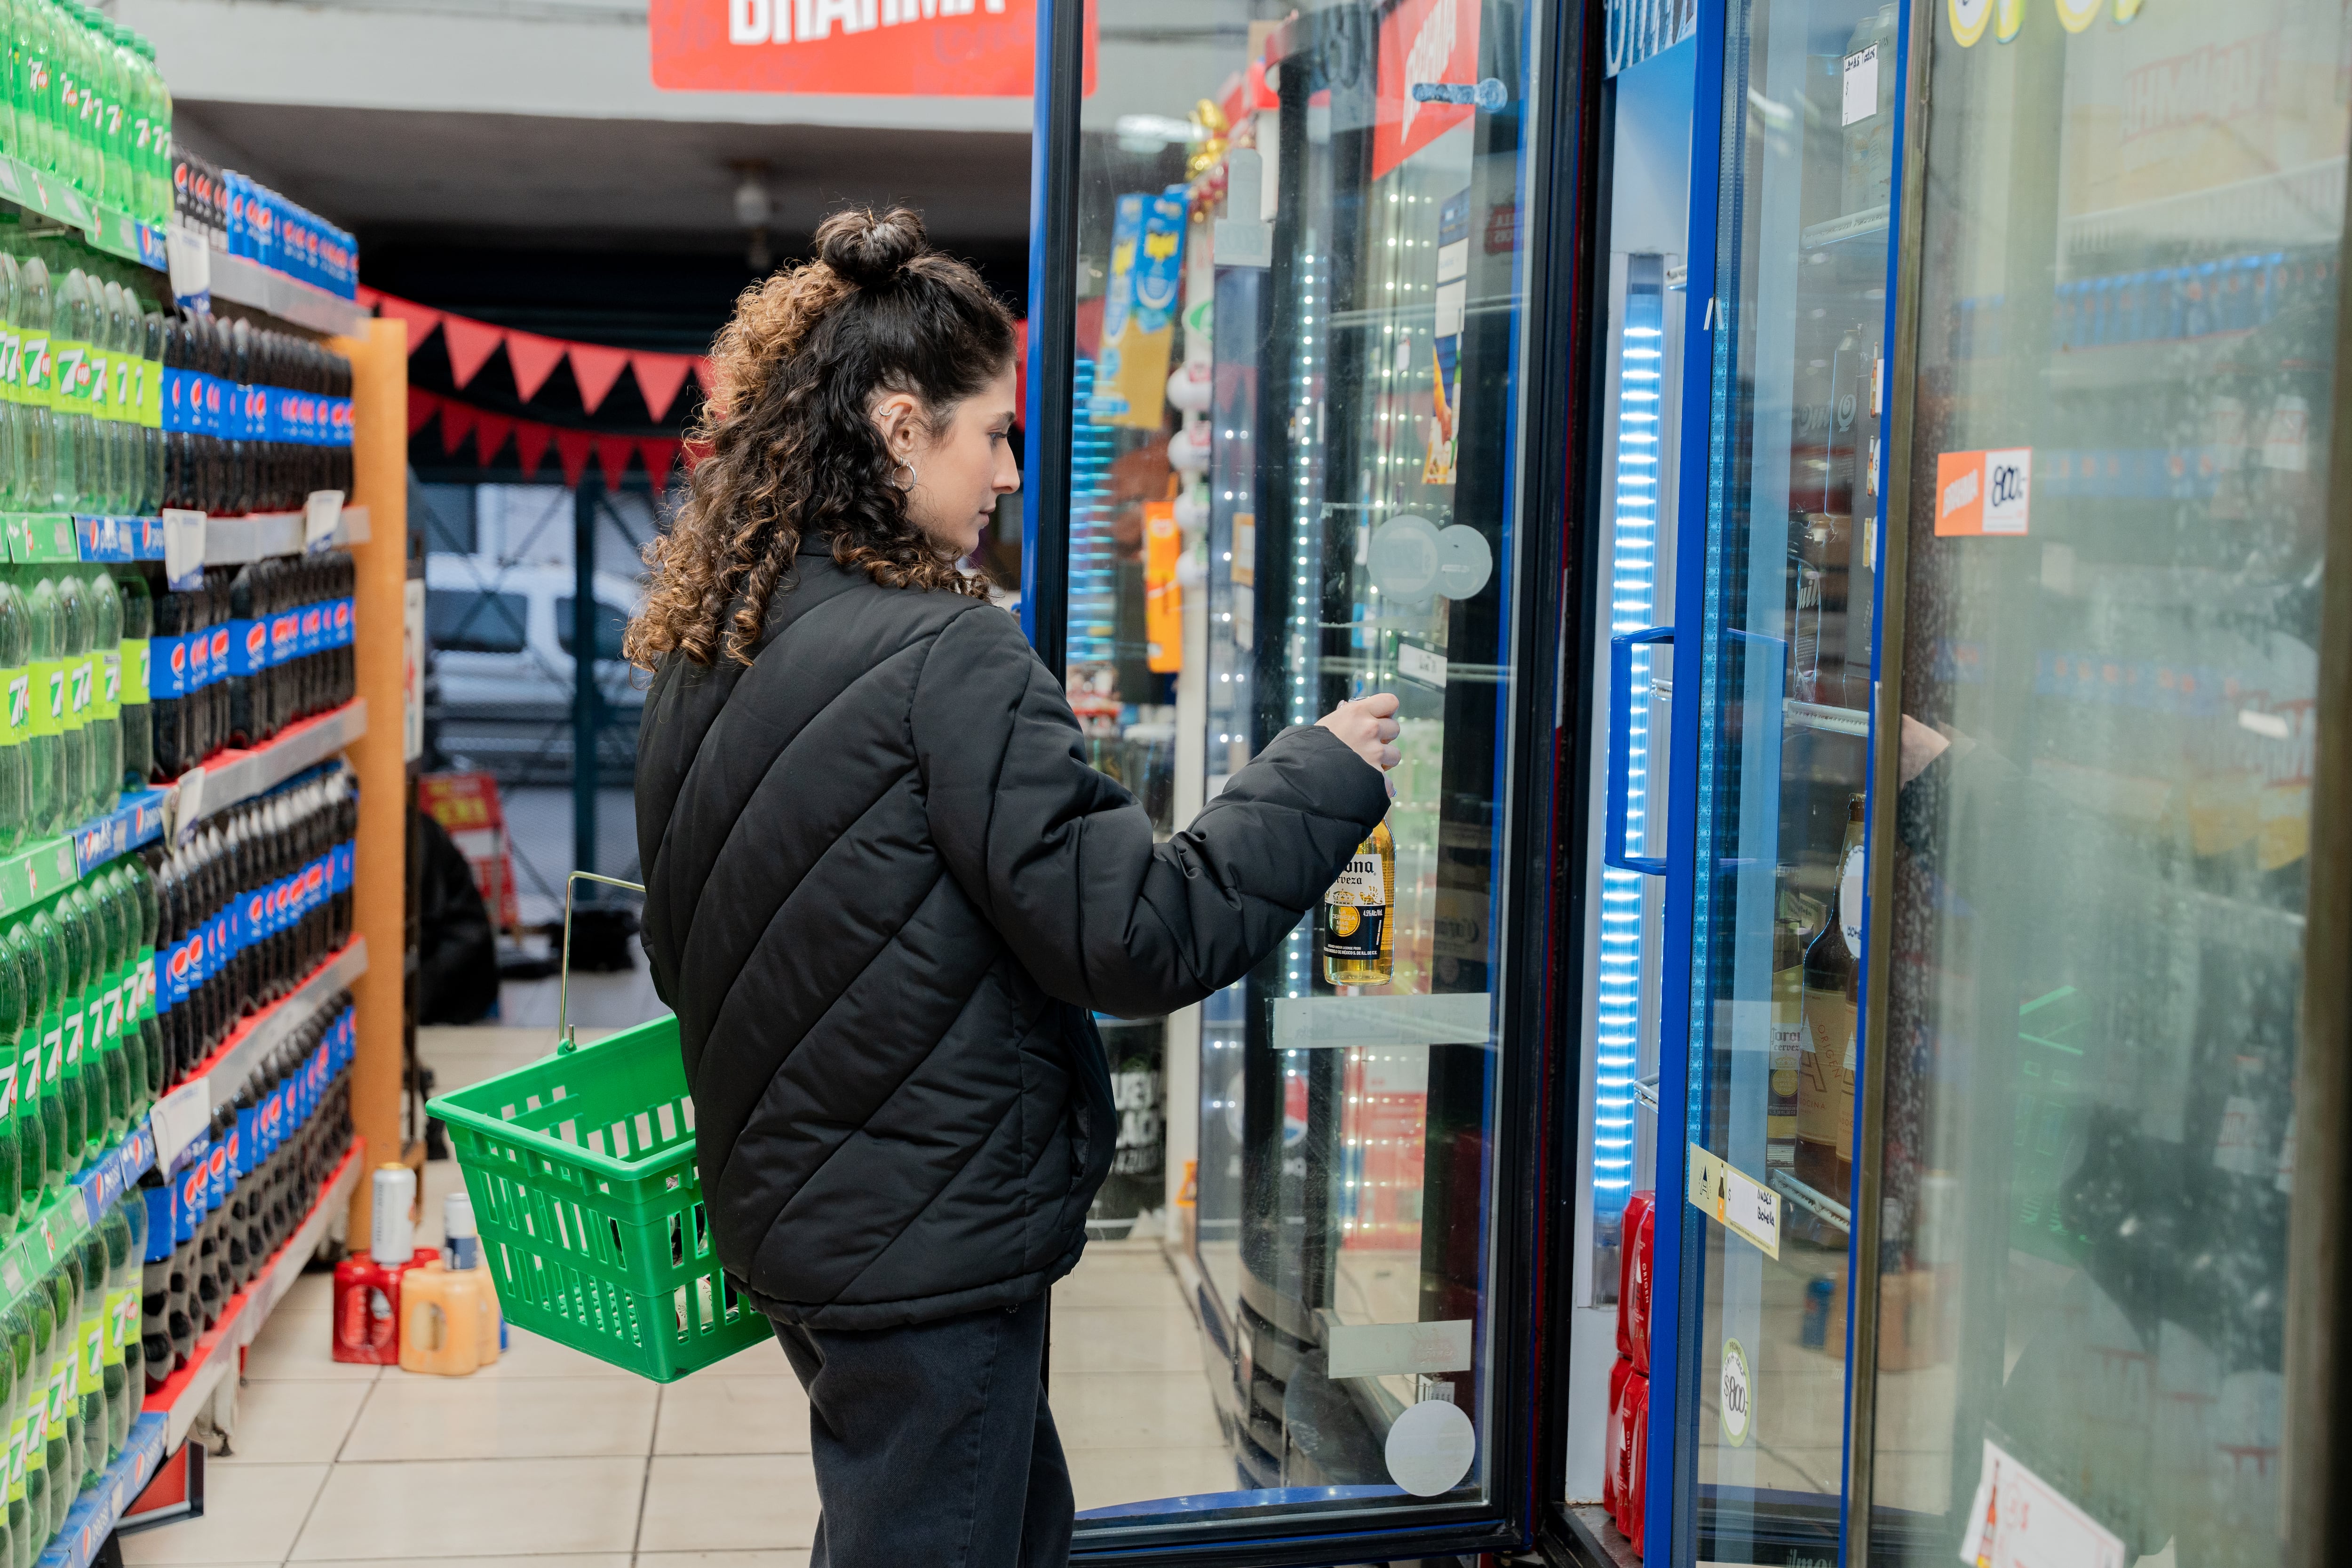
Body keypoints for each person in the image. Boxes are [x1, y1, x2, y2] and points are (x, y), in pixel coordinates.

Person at [624, 206, 1400, 1566]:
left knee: (982, 1522)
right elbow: (1139, 935)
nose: (1008, 470)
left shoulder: (715, 643)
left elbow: (707, 929)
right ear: (901, 426)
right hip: (929, 1240)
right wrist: (1319, 773)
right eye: (990, 431)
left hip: (814, 1222)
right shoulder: (951, 658)